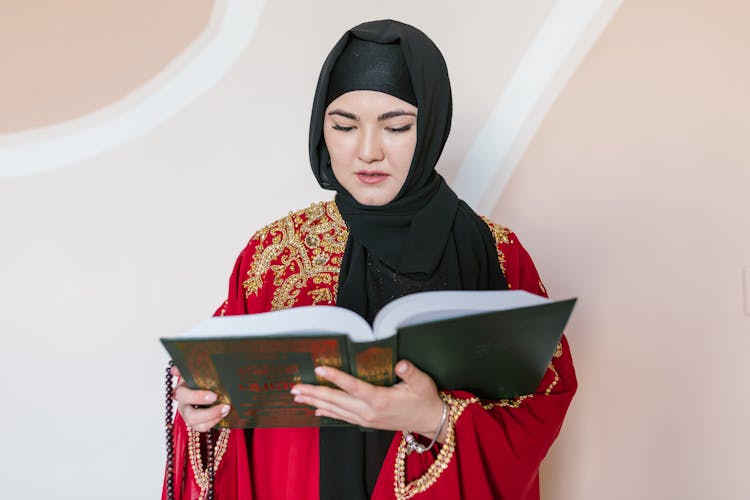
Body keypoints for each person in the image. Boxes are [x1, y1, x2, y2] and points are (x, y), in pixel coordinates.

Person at [163, 19, 576, 500]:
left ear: (432, 125)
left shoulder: (498, 255)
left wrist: (432, 418)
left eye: (396, 126)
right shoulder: (275, 255)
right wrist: (200, 410)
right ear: (322, 127)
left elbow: (540, 405)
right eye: (343, 125)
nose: (367, 151)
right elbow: (222, 404)